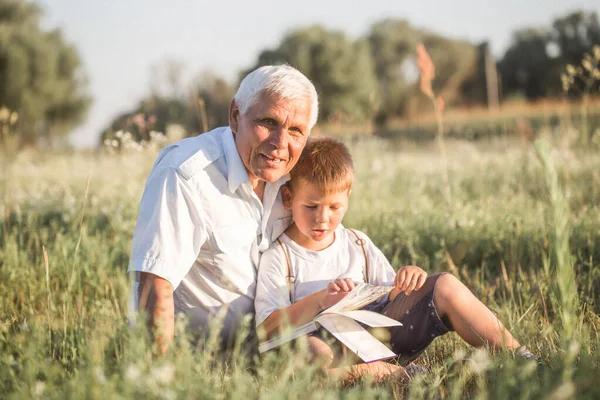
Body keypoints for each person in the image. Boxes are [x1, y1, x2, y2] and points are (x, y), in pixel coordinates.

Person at [255, 137, 537, 381]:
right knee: (314, 353)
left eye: (334, 207)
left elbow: (393, 295)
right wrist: (319, 301)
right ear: (289, 198)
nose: (323, 218)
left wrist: (410, 277)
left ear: (347, 199)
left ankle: (523, 360)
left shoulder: (357, 243)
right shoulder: (279, 256)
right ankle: (407, 378)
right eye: (311, 206)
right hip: (330, 352)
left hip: (377, 340)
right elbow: (265, 330)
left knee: (446, 285)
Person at [127, 65, 318, 353]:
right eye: (268, 122)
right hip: (200, 357)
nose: (280, 143)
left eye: (295, 131)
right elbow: (155, 286)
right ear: (235, 115)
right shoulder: (185, 174)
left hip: (274, 336)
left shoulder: (297, 176)